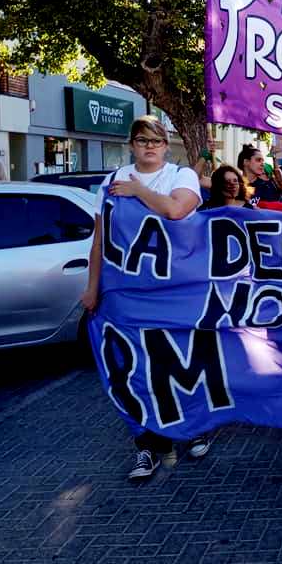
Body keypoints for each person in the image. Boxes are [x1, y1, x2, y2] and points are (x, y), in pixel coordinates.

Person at [79, 115, 208, 481]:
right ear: (131, 144)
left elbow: (176, 209)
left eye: (156, 140)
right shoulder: (110, 181)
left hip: (174, 292)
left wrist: (138, 192)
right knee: (133, 371)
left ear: (166, 146)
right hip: (127, 295)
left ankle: (193, 427)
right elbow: (100, 241)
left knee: (178, 364)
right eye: (141, 140)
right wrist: (92, 287)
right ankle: (147, 447)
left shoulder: (180, 176)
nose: (149, 146)